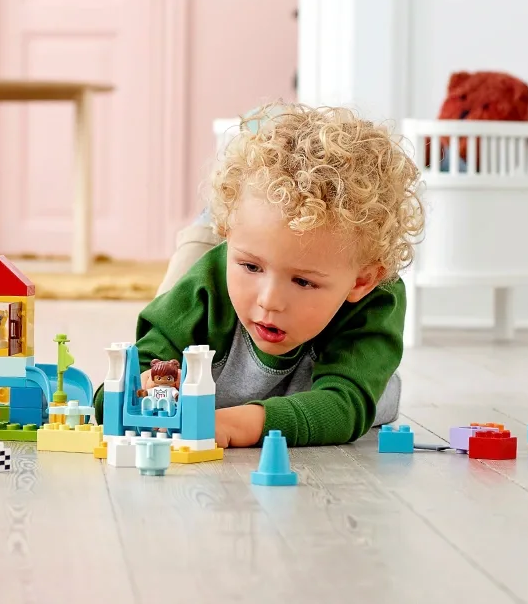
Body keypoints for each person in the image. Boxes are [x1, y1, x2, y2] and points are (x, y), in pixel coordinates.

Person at [95, 102, 425, 448]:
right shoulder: (204, 288)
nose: (268, 301)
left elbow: (342, 406)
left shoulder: (374, 301)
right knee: (196, 259)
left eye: (303, 281)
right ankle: (210, 228)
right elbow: (111, 397)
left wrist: (239, 423)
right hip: (218, 263)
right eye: (251, 267)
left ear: (361, 281)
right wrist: (144, 387)